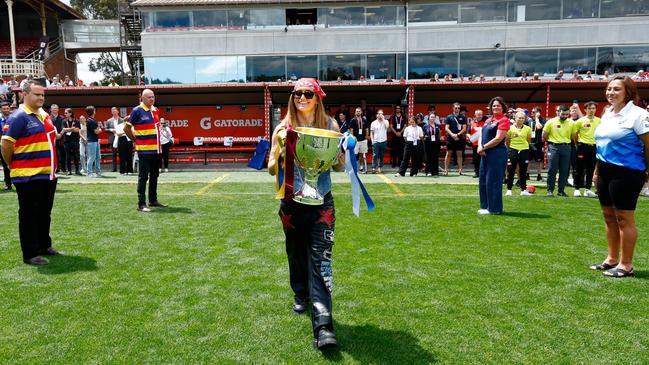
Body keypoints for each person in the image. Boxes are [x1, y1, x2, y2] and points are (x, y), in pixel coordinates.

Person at [267, 78, 342, 350]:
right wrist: (280, 154)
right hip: (291, 204)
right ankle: (300, 292)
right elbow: (271, 168)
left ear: (317, 97)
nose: (301, 97)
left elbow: (340, 167)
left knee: (322, 261)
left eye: (307, 93)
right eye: (297, 93)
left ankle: (323, 327)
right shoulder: (281, 128)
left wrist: (339, 152)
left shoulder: (330, 126)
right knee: (296, 253)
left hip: (322, 203)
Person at [590, 77, 649, 278]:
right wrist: (597, 171)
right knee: (608, 217)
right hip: (605, 172)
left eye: (616, 89)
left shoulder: (638, 115)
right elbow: (602, 145)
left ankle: (626, 265)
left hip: (628, 173)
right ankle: (612, 259)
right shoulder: (607, 113)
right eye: (608, 89)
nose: (611, 93)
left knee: (624, 219)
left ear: (628, 92)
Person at [1, 80, 64, 265]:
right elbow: (5, 144)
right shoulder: (18, 117)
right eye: (37, 94)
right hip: (28, 175)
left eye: (43, 95)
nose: (41, 98)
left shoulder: (44, 115)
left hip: (47, 175)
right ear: (24, 94)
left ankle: (44, 245)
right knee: (29, 215)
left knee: (44, 213)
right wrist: (13, 165)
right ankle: (30, 253)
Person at [124, 89, 167, 212]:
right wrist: (134, 140)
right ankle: (141, 204)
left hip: (156, 150)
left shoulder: (155, 110)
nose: (152, 99)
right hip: (144, 150)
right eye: (149, 97)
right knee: (143, 177)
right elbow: (127, 128)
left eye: (153, 97)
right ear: (142, 99)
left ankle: (153, 200)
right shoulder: (137, 110)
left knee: (155, 175)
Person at [478, 96, 510, 215]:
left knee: (493, 181)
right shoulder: (488, 120)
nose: (495, 107)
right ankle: (485, 206)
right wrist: (479, 147)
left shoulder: (504, 120)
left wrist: (484, 147)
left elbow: (498, 138)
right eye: (493, 106)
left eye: (498, 105)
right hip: (484, 153)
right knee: (483, 180)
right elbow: (481, 133)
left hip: (496, 154)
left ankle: (495, 209)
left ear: (502, 108)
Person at [543, 104, 573, 196]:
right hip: (553, 147)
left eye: (567, 114)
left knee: (564, 170)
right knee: (552, 169)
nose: (564, 116)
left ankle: (561, 191)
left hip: (566, 147)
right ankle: (550, 190)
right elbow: (544, 135)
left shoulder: (571, 123)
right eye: (563, 114)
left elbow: (573, 136)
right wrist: (551, 144)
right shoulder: (551, 122)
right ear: (558, 112)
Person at [572, 101, 601, 197]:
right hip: (582, 146)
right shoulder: (580, 121)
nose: (591, 110)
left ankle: (587, 189)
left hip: (594, 147)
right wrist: (578, 144)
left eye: (593, 108)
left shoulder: (599, 121)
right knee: (579, 168)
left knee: (591, 168)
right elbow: (575, 135)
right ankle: (576, 189)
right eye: (589, 108)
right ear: (585, 110)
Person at [505, 111, 533, 196]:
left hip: (524, 150)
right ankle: (509, 189)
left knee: (523, 171)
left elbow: (528, 140)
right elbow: (507, 140)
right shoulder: (510, 128)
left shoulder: (528, 128)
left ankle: (523, 190)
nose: (521, 119)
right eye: (519, 118)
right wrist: (512, 147)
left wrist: (523, 146)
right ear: (515, 118)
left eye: (522, 118)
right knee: (511, 170)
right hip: (513, 150)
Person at [444, 102, 467, 175]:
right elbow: (446, 128)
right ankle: (446, 170)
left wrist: (457, 134)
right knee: (448, 154)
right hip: (450, 138)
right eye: (456, 108)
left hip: (459, 138)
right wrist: (452, 135)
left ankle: (460, 170)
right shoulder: (449, 117)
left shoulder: (463, 117)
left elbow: (464, 128)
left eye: (458, 108)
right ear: (453, 108)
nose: (457, 109)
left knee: (459, 154)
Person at [61, 108, 81, 175]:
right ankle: (69, 170)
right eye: (65, 113)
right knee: (68, 156)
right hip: (67, 141)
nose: (65, 114)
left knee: (76, 156)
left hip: (75, 141)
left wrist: (69, 129)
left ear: (70, 113)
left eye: (66, 113)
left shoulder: (76, 121)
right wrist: (72, 129)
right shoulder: (63, 121)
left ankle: (77, 170)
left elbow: (77, 130)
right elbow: (64, 129)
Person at [423, 107, 441, 176]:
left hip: (436, 144)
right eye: (431, 117)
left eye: (434, 117)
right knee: (429, 158)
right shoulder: (425, 126)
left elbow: (439, 134)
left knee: (435, 157)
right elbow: (423, 135)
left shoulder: (437, 126)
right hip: (428, 144)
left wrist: (437, 140)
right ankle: (428, 171)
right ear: (429, 118)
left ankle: (435, 172)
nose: (432, 118)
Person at [85, 106, 102, 177]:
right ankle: (89, 173)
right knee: (91, 157)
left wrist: (98, 129)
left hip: (95, 140)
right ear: (92, 111)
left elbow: (97, 130)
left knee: (98, 157)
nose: (95, 111)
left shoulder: (92, 120)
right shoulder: (90, 120)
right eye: (94, 110)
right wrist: (100, 130)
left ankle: (98, 172)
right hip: (91, 141)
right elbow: (96, 131)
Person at [350, 107, 368, 173]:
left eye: (359, 111)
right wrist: (353, 138)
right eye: (357, 111)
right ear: (355, 112)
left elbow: (366, 128)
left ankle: (361, 167)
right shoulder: (353, 120)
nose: (358, 112)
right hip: (356, 140)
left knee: (361, 154)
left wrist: (366, 136)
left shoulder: (364, 120)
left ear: (361, 112)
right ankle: (353, 167)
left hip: (363, 140)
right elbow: (351, 129)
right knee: (354, 154)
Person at [370, 109, 389, 174]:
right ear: (376, 115)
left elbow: (387, 126)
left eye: (381, 114)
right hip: (376, 141)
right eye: (379, 114)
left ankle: (379, 167)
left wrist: (383, 119)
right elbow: (371, 132)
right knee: (375, 155)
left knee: (381, 155)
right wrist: (372, 141)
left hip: (383, 141)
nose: (380, 115)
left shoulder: (386, 121)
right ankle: (373, 168)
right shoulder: (373, 123)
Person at [530, 106, 546, 181]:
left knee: (539, 160)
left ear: (538, 113)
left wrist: (537, 118)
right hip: (530, 142)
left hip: (538, 143)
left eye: (534, 112)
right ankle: (527, 174)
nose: (532, 114)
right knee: (528, 159)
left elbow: (539, 127)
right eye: (532, 112)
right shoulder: (529, 120)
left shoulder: (542, 120)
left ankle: (539, 175)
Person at [469, 109, 485, 178]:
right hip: (475, 144)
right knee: (476, 159)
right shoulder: (472, 123)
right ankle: (476, 172)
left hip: (483, 144)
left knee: (483, 159)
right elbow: (468, 133)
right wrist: (470, 137)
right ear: (475, 115)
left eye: (481, 115)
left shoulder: (485, 123)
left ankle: (483, 173)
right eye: (478, 115)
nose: (479, 116)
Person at [50, 104, 66, 174]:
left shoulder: (62, 118)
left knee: (63, 153)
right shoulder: (48, 118)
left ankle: (63, 168)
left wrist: (60, 134)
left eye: (56, 108)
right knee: (55, 154)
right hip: (52, 138)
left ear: (58, 109)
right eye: (53, 108)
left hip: (61, 138)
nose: (55, 110)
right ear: (51, 109)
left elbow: (64, 128)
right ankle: (56, 168)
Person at [0, 102, 12, 190]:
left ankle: (9, 184)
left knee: (7, 165)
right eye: (4, 109)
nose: (6, 110)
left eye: (7, 108)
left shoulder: (13, 119)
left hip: (9, 145)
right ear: (1, 109)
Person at [105, 107, 121, 172]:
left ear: (118, 111)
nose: (113, 111)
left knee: (121, 153)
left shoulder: (122, 120)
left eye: (115, 110)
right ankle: (114, 168)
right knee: (113, 154)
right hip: (112, 138)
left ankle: (122, 167)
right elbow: (106, 129)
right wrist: (111, 130)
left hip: (120, 137)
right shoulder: (109, 120)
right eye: (112, 110)